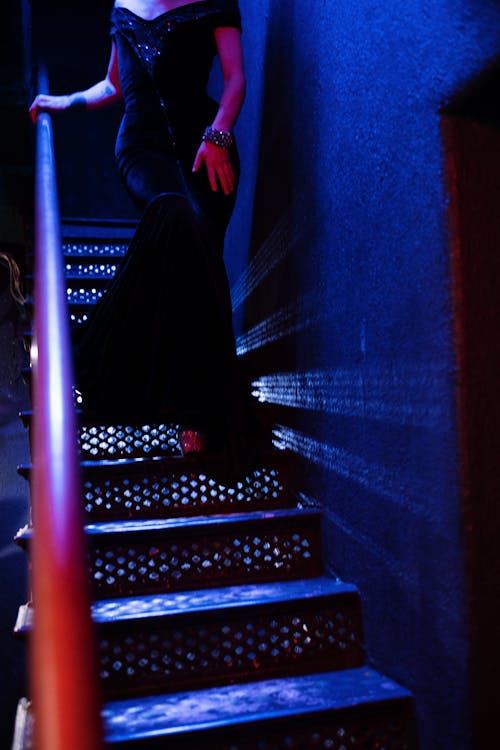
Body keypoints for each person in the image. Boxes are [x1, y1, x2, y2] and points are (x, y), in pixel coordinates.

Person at [30, 0, 260, 471]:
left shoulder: (216, 1)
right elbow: (114, 85)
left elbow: (235, 79)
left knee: (203, 261)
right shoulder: (121, 5)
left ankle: (205, 424)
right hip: (142, 149)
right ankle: (98, 359)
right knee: (175, 215)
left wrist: (218, 137)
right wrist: (64, 101)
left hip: (207, 147)